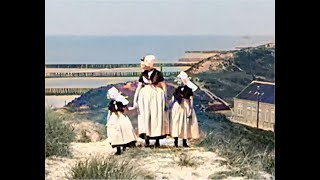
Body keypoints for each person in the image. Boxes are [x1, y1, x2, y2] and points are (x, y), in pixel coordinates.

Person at [133, 55, 169, 147]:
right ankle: (146, 138)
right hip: (145, 96)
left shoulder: (158, 73)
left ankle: (157, 139)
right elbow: (139, 87)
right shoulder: (143, 74)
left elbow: (164, 86)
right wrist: (135, 100)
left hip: (156, 96)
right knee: (146, 116)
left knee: (156, 116)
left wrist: (165, 99)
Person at [170, 71, 200, 148]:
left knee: (185, 124)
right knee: (176, 123)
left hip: (185, 106)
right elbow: (173, 99)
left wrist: (190, 109)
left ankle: (184, 141)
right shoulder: (177, 90)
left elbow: (191, 99)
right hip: (178, 107)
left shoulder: (188, 90)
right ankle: (176, 141)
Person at [106, 87, 137, 155]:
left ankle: (122, 147)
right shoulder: (114, 103)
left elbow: (124, 109)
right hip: (116, 118)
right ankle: (120, 148)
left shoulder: (119, 102)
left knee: (122, 132)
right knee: (119, 133)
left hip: (118, 118)